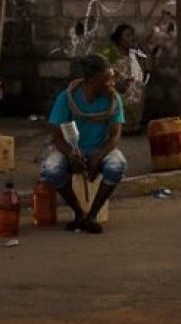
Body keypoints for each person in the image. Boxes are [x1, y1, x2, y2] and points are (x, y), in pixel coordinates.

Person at [40, 53, 127, 234]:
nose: (111, 84)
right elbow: (56, 135)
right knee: (51, 168)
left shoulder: (113, 99)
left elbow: (115, 136)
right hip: (72, 150)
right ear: (92, 80)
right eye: (106, 80)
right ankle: (79, 212)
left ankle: (92, 215)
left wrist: (99, 156)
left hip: (99, 149)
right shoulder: (66, 98)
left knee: (118, 166)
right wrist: (70, 154)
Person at [100, 23, 150, 135]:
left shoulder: (134, 51)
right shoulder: (109, 51)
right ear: (119, 38)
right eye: (127, 35)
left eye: (132, 35)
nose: (131, 38)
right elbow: (103, 69)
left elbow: (145, 67)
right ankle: (118, 126)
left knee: (136, 90)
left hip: (131, 85)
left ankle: (133, 126)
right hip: (114, 85)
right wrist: (116, 82)